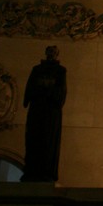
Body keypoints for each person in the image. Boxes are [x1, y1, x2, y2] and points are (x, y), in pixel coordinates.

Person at [21, 45, 67, 182]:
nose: (51, 54)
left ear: (57, 54)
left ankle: (46, 172)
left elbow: (61, 93)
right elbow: (30, 89)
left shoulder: (60, 71)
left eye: (53, 52)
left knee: (48, 141)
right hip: (37, 110)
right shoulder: (37, 70)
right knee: (33, 140)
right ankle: (32, 170)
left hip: (50, 113)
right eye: (49, 52)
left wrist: (46, 88)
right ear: (46, 53)